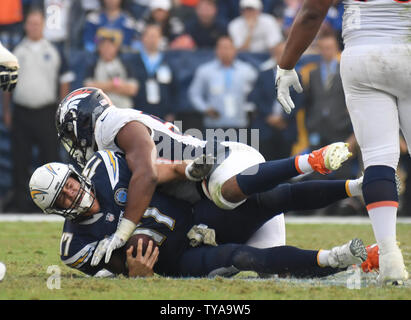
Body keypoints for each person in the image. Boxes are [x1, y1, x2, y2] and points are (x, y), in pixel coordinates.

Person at [55, 86, 354, 267]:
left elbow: (146, 175)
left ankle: (308, 161)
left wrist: (123, 232)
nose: (73, 141)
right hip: (207, 178)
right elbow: (158, 170)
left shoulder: (110, 124)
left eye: (70, 132)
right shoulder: (111, 147)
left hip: (223, 163)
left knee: (225, 194)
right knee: (269, 263)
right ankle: (354, 255)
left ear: (82, 118)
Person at [28, 151, 369, 278]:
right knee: (243, 258)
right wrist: (137, 274)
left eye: (70, 184)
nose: (73, 193)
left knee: (271, 199)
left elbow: (153, 171)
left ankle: (355, 187)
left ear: (76, 175)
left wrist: (185, 169)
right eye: (63, 196)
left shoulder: (104, 168)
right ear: (54, 209)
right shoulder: (75, 245)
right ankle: (333, 259)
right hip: (178, 259)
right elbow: (121, 274)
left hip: (197, 216)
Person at [274, 0, 410, 285]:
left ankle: (389, 256)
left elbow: (312, 12)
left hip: (361, 56)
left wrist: (286, 65)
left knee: (378, 159)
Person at [2, 9, 74, 213]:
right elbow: (9, 82)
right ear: (26, 25)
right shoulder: (16, 50)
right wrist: (7, 110)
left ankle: (52, 202)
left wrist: (61, 109)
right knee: (20, 159)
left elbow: (64, 81)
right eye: (31, 23)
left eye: (37, 23)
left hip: (47, 111)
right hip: (22, 111)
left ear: (43, 26)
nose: (34, 27)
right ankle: (21, 203)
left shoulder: (54, 50)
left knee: (49, 159)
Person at [188, 35, 258, 131]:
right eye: (222, 48)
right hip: (214, 124)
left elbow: (258, 93)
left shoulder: (247, 71)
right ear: (216, 50)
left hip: (240, 124)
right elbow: (194, 94)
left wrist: (250, 109)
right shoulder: (205, 71)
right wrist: (205, 109)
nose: (225, 51)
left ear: (235, 50)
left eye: (228, 48)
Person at [84, 32, 138, 109]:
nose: (107, 49)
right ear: (99, 48)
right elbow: (89, 87)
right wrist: (113, 84)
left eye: (110, 46)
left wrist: (103, 87)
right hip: (101, 108)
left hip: (123, 108)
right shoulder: (93, 65)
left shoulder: (125, 64)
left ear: (116, 48)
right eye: (104, 46)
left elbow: (132, 89)